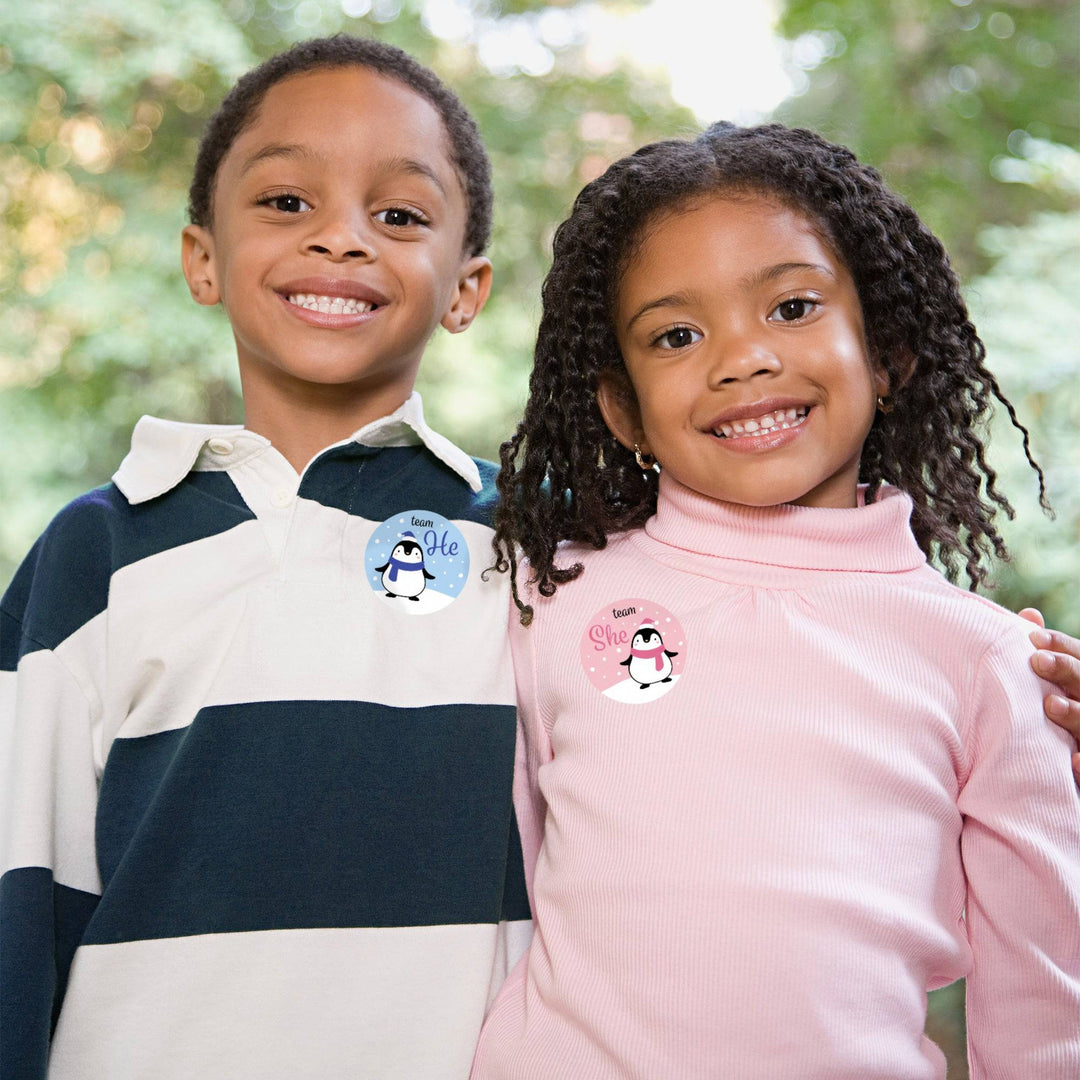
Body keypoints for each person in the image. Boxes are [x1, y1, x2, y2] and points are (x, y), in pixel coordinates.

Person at [472, 122, 1080, 1078]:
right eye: (677, 334)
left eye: (792, 307)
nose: (743, 357)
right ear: (623, 408)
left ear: (886, 350)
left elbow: (1049, 1025)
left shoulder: (992, 662)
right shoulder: (550, 598)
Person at [0, 36, 529, 1080]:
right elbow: (22, 889)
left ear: (466, 289)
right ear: (203, 258)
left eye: (401, 215)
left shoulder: (536, 547)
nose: (341, 239)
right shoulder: (92, 556)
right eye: (287, 202)